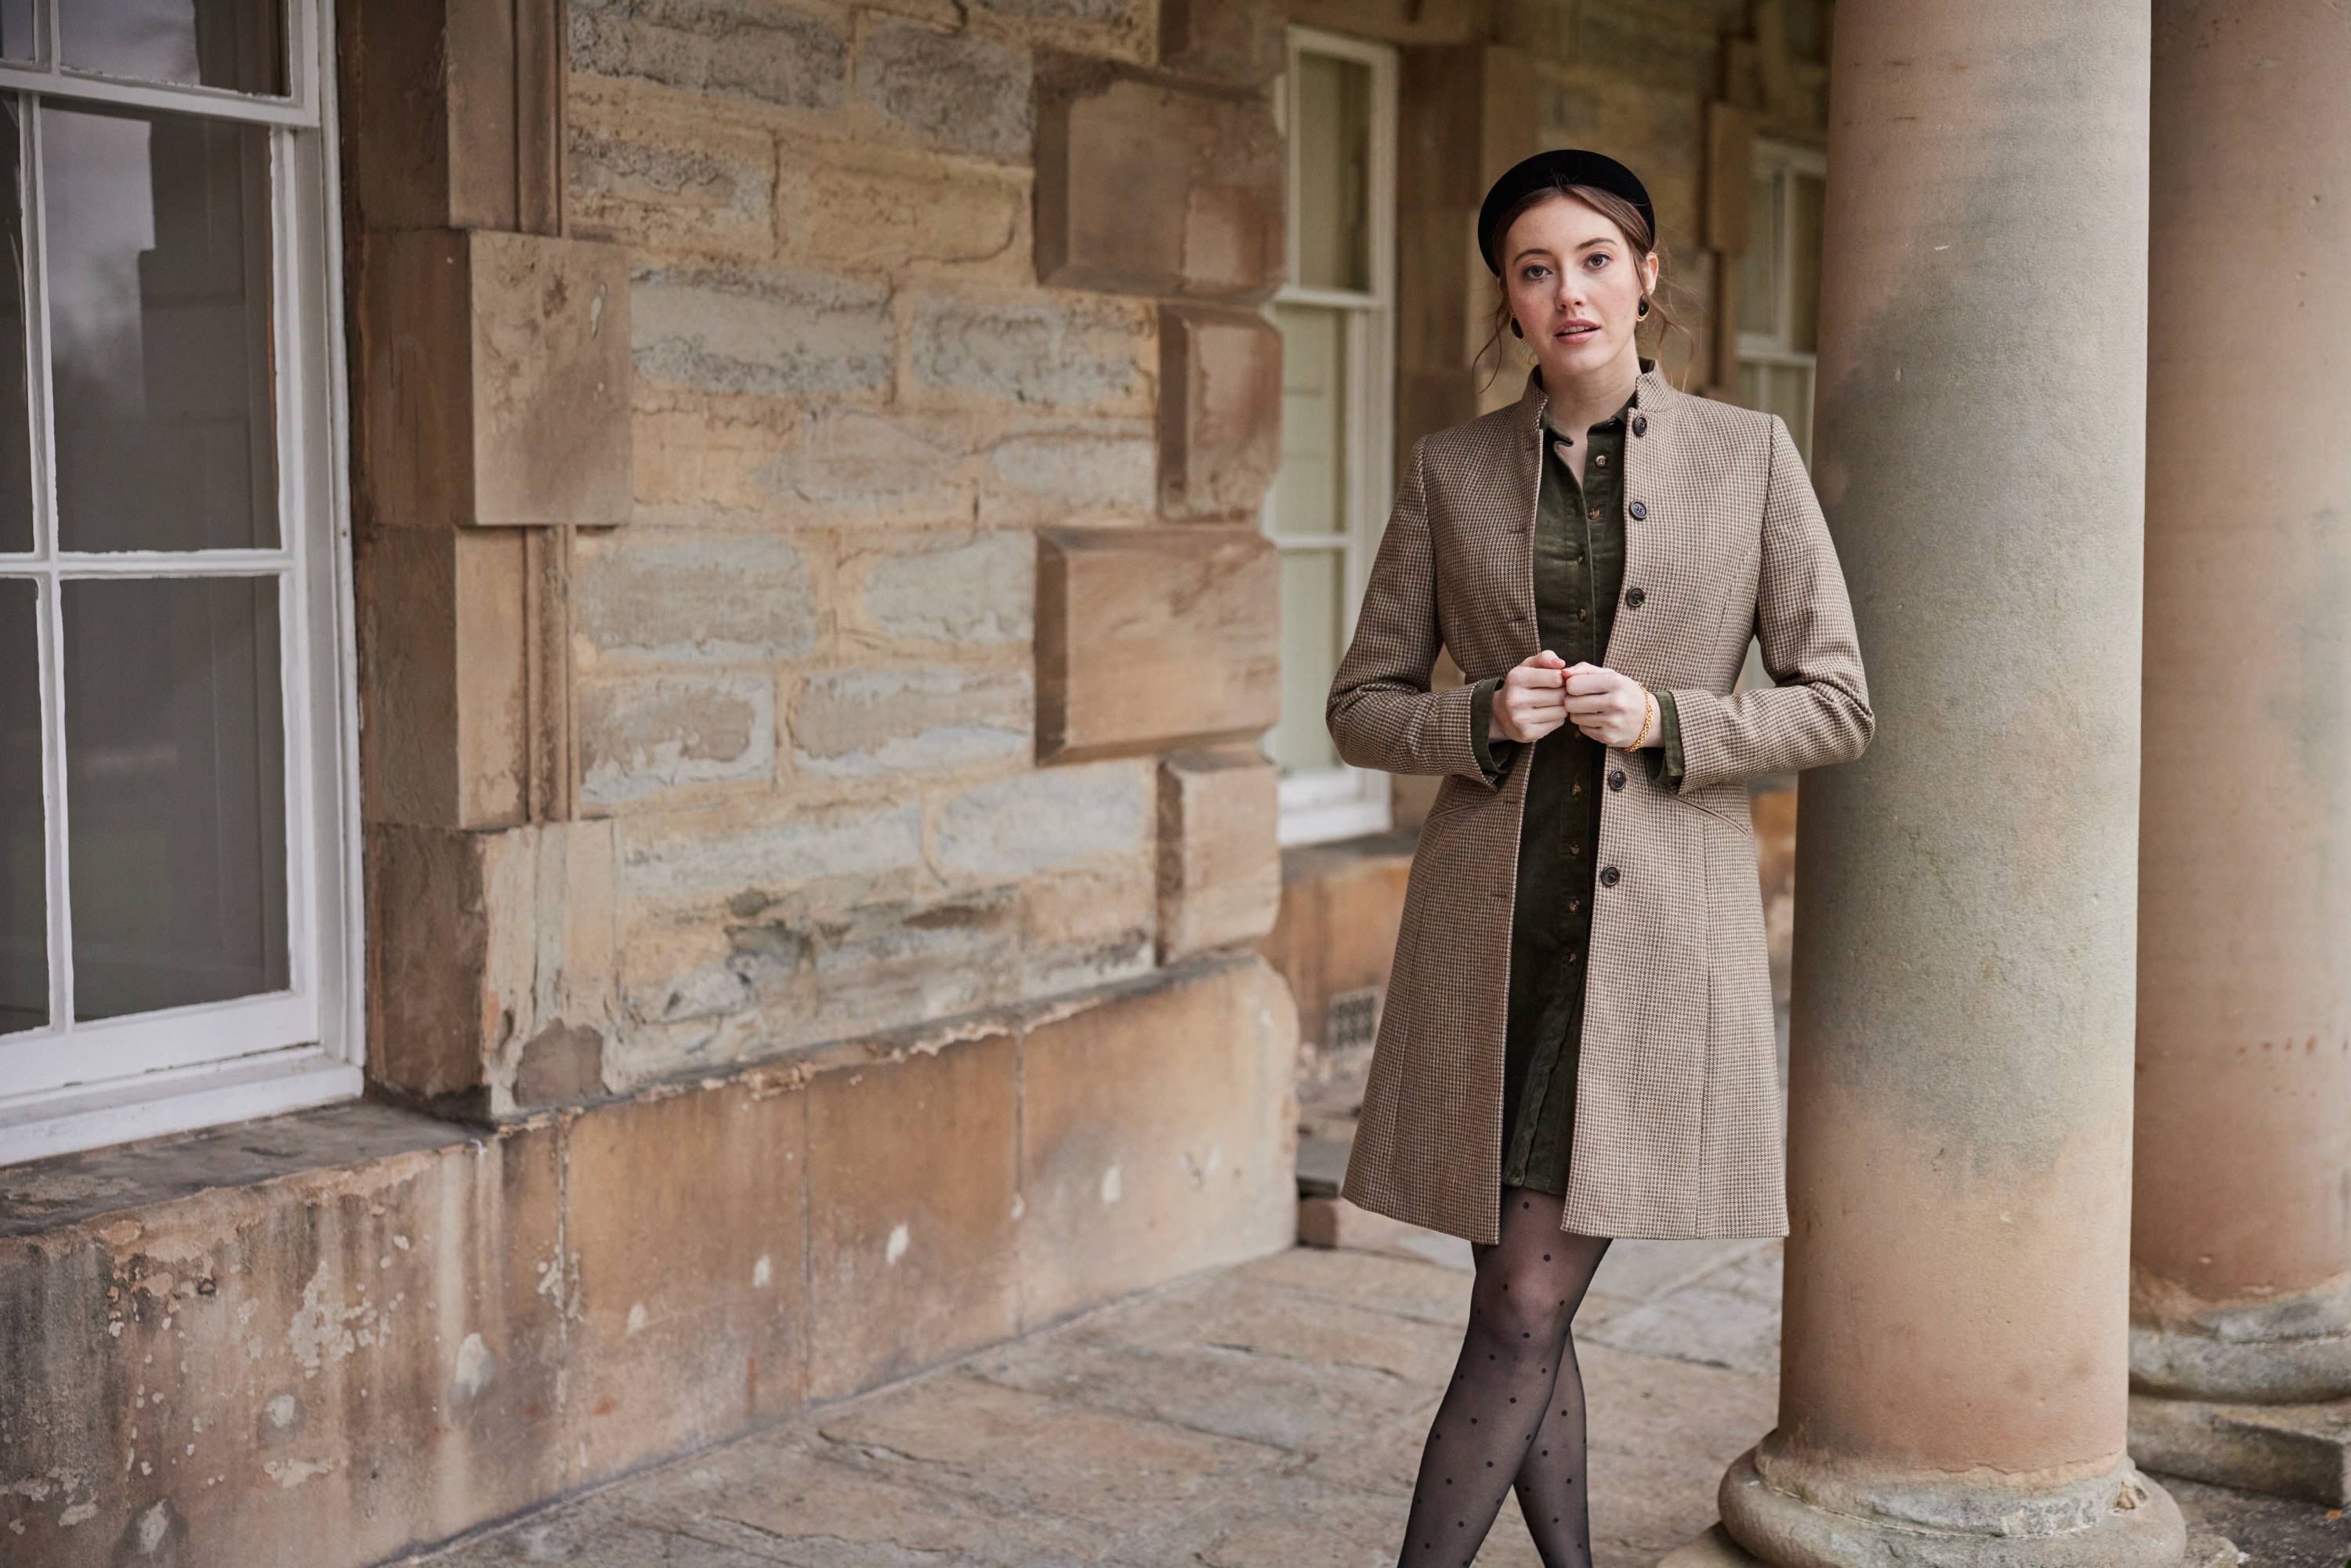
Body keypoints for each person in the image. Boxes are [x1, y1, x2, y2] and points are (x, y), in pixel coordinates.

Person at [1322, 148, 1874, 1566]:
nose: (1566, 291)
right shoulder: (1449, 471)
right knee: (1524, 1306)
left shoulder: (1751, 458)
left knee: (1519, 1304)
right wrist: (1474, 713)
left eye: (1591, 258)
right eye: (1532, 267)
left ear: (1646, 277)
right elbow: (1359, 703)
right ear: (1506, 300)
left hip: (1651, 951)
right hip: (1491, 949)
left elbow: (1838, 701)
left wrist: (1674, 718)